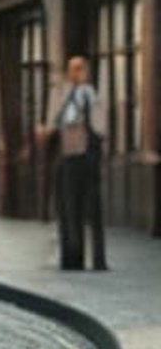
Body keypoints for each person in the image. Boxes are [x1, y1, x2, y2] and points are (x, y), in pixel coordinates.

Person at [44, 55, 107, 272]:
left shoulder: (91, 94)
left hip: (87, 157)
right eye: (73, 69)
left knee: (93, 209)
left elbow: (100, 126)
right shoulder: (59, 93)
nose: (77, 73)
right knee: (69, 209)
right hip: (67, 157)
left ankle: (99, 259)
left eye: (81, 69)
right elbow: (53, 122)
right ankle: (72, 257)